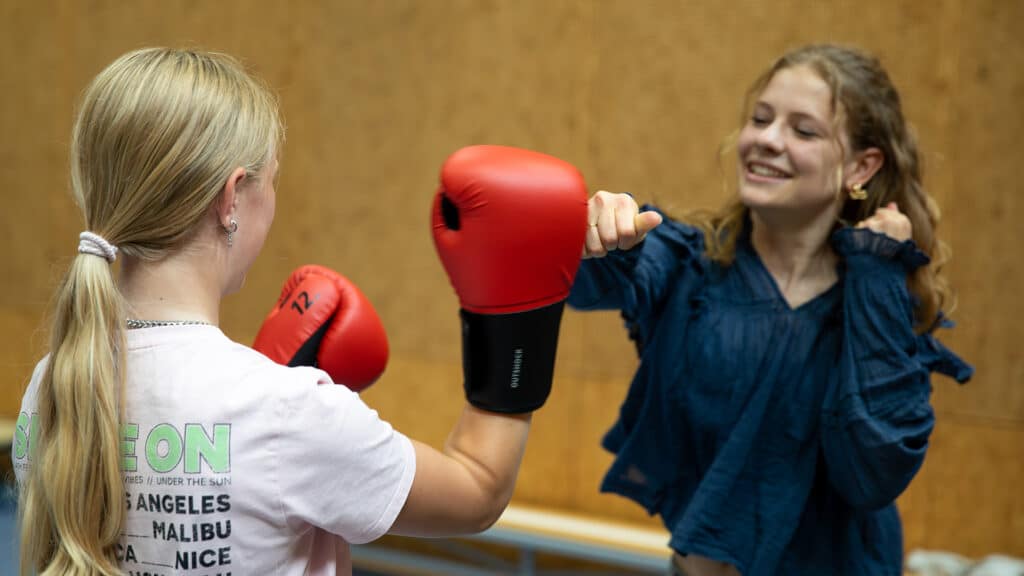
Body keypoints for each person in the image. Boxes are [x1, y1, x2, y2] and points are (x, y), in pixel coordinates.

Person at [12, 48, 588, 575]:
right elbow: (478, 491)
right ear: (231, 198)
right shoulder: (285, 411)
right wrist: (521, 304)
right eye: (273, 181)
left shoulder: (50, 388)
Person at [570, 44, 973, 575]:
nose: (767, 139)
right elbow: (583, 282)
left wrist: (877, 271)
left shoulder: (877, 300)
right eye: (760, 119)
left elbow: (875, 469)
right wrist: (596, 232)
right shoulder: (688, 264)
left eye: (803, 131)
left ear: (861, 165)